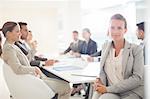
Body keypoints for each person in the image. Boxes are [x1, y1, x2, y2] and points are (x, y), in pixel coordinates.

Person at [1, 21, 71, 99]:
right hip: (31, 84)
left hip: (33, 80)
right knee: (66, 87)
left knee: (63, 83)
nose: (20, 34)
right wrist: (34, 68)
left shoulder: (12, 46)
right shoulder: (8, 48)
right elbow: (17, 69)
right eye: (17, 31)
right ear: (8, 33)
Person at [92, 14, 144, 99]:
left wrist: (107, 89)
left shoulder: (136, 49)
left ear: (125, 30)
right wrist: (99, 80)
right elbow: (103, 71)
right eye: (112, 28)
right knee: (95, 96)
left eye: (119, 28)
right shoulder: (105, 46)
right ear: (108, 29)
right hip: (111, 91)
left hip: (130, 92)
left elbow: (137, 78)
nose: (115, 31)